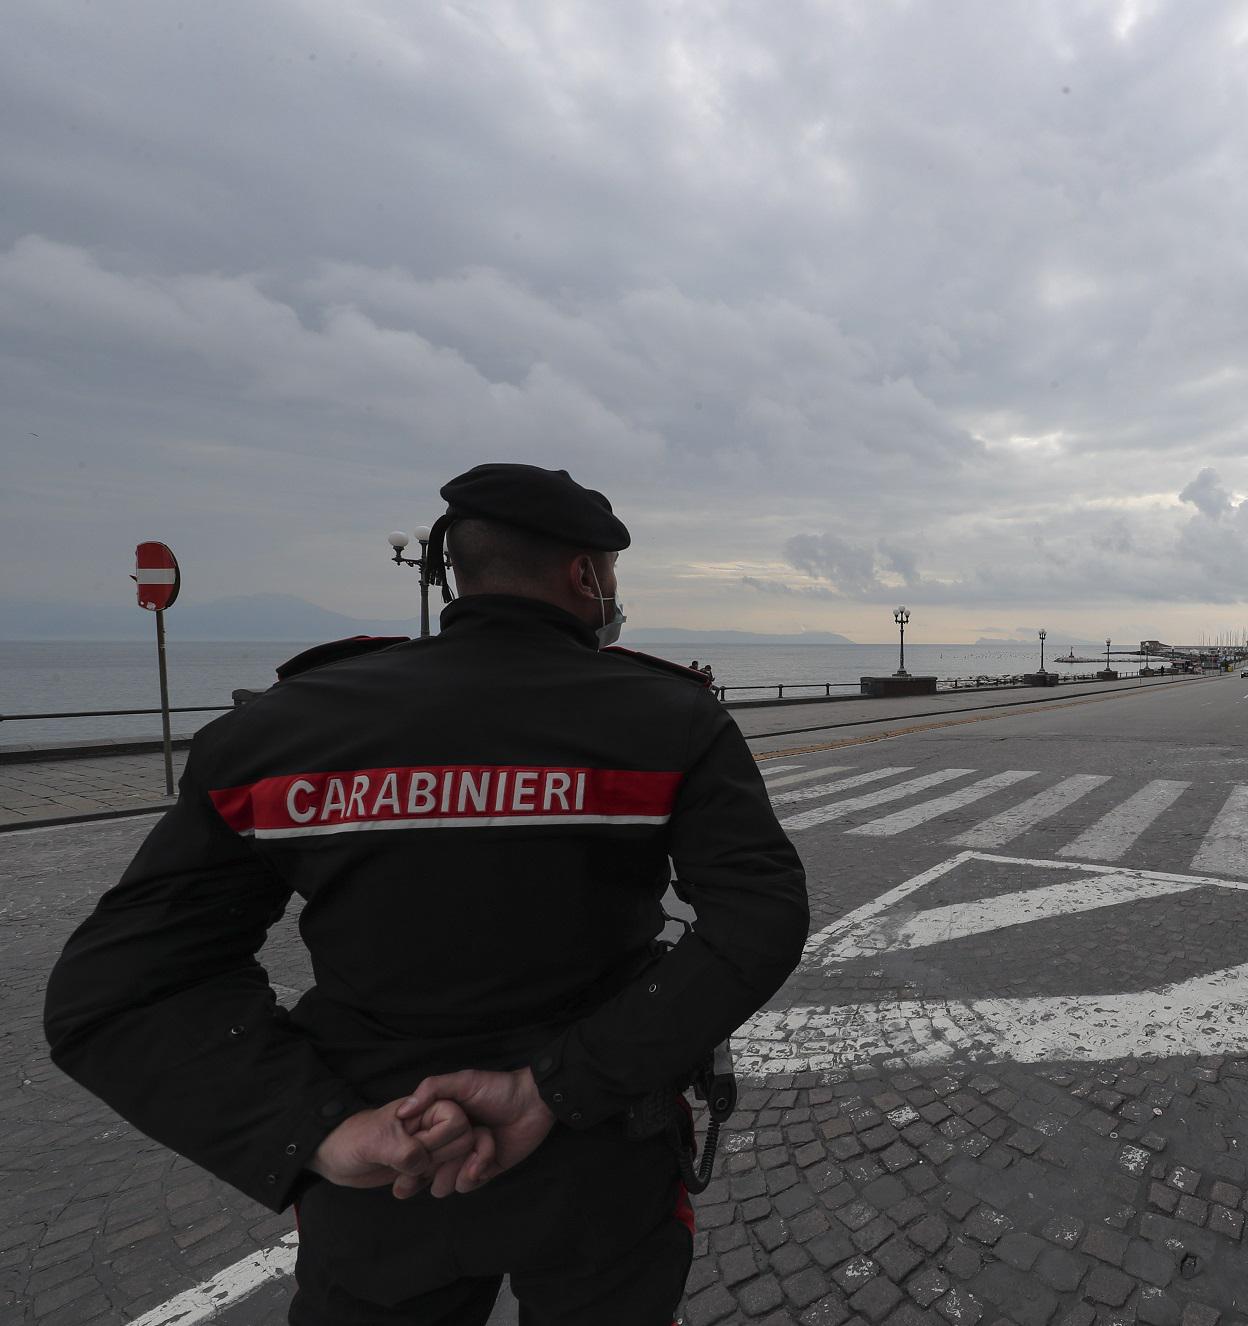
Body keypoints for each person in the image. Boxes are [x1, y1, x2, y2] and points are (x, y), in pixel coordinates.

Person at [44, 462, 809, 1324]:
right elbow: (760, 915)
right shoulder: (670, 720)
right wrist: (553, 1087)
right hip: (600, 1154)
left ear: (454, 571)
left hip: (385, 1169)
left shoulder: (282, 729)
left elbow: (117, 990)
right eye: (612, 580)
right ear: (586, 576)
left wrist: (323, 1132)